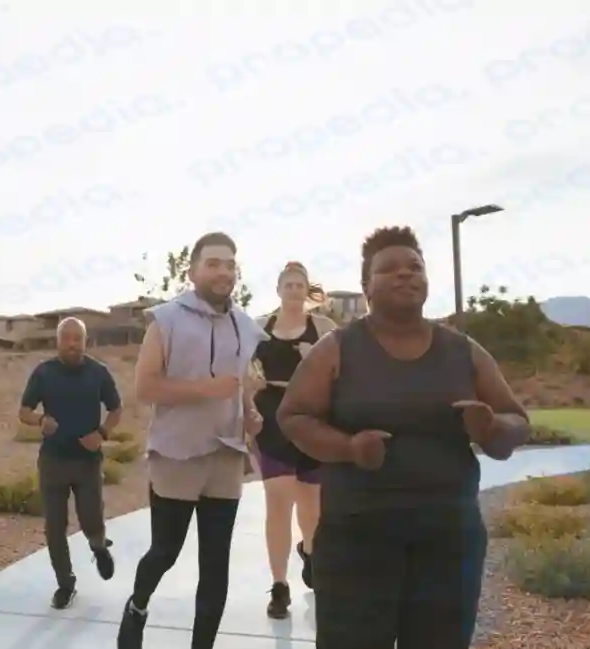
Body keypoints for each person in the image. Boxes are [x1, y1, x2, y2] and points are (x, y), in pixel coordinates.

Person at [276, 226, 531, 649]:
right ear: (366, 287)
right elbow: (294, 415)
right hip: (356, 538)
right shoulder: (337, 348)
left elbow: (516, 420)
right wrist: (349, 448)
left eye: (415, 266)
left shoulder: (463, 351)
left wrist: (491, 428)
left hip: (448, 541)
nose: (404, 274)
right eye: (388, 269)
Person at [117, 232, 267, 649]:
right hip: (177, 454)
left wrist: (249, 411)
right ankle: (138, 605)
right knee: (165, 551)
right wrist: (206, 390)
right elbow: (145, 388)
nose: (223, 272)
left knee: (216, 564)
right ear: (193, 271)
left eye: (230, 264)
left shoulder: (245, 325)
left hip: (226, 455)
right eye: (214, 263)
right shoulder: (166, 320)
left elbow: (238, 385)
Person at [250, 261, 336, 618]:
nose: (295, 291)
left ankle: (312, 556)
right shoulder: (260, 329)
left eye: (300, 286)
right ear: (279, 289)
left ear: (307, 291)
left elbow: (342, 373)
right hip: (273, 416)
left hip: (312, 417)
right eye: (289, 285)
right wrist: (248, 397)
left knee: (311, 506)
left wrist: (312, 362)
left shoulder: (325, 329)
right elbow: (240, 368)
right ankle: (279, 586)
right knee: (278, 502)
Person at [18, 317, 122, 610]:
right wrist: (40, 420)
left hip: (87, 460)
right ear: (58, 341)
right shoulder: (44, 373)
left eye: (78, 338)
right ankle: (66, 584)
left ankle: (99, 547)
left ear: (85, 341)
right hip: (53, 460)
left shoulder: (99, 373)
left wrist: (101, 434)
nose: (73, 344)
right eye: (68, 338)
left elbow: (116, 409)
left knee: (91, 518)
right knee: (54, 527)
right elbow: (24, 410)